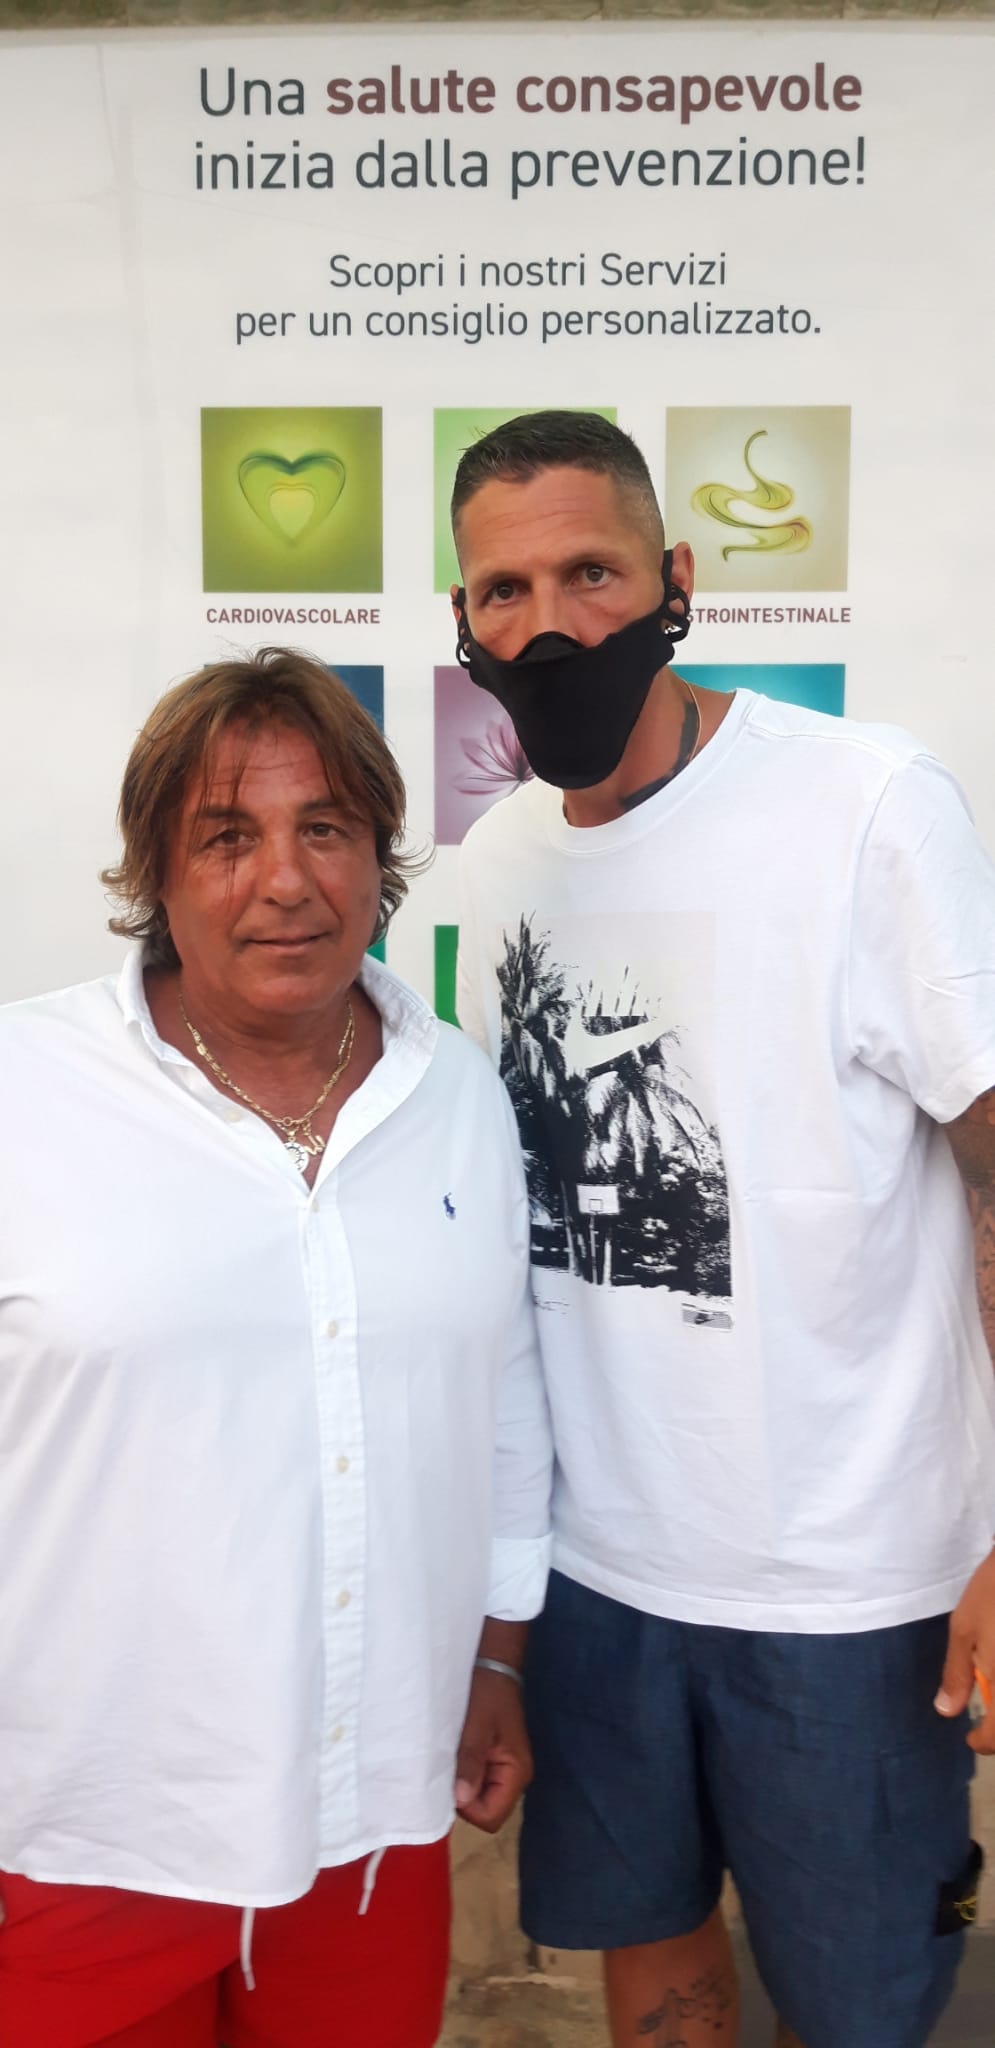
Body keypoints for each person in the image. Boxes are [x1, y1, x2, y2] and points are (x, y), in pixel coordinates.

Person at [450, 409, 995, 2048]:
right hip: (596, 1577)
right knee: (653, 1966)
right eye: (504, 591)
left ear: (677, 579)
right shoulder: (501, 857)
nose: (551, 625)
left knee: (857, 2011)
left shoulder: (867, 805)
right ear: (463, 619)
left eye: (592, 573)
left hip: (847, 1589)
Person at [0, 648, 552, 2048]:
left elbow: (502, 1403)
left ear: (380, 855)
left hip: (368, 1819)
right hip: (77, 1831)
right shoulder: (25, 1091)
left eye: (325, 828)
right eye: (226, 836)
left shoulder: (459, 1096)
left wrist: (495, 1667)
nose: (286, 881)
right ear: (156, 870)